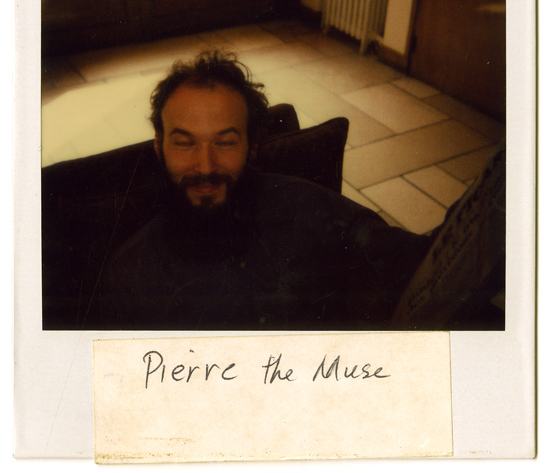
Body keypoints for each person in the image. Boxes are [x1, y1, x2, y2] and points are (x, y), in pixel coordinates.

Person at [43, 49, 505, 331]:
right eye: (184, 144)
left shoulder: (304, 203)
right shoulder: (131, 280)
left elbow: (411, 260)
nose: (205, 167)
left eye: (226, 142)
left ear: (254, 146)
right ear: (159, 148)